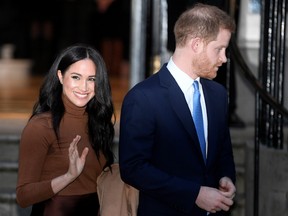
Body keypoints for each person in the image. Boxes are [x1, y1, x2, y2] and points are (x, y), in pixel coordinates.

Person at [119, 3, 236, 216]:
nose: (224, 58)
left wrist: (225, 177)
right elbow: (133, 168)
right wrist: (194, 194)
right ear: (196, 44)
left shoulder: (218, 95)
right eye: (219, 49)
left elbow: (223, 152)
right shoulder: (143, 97)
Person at [16, 44, 115, 215]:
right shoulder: (41, 126)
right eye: (76, 77)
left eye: (92, 79)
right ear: (60, 76)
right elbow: (23, 196)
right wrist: (68, 176)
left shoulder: (99, 123)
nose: (84, 87)